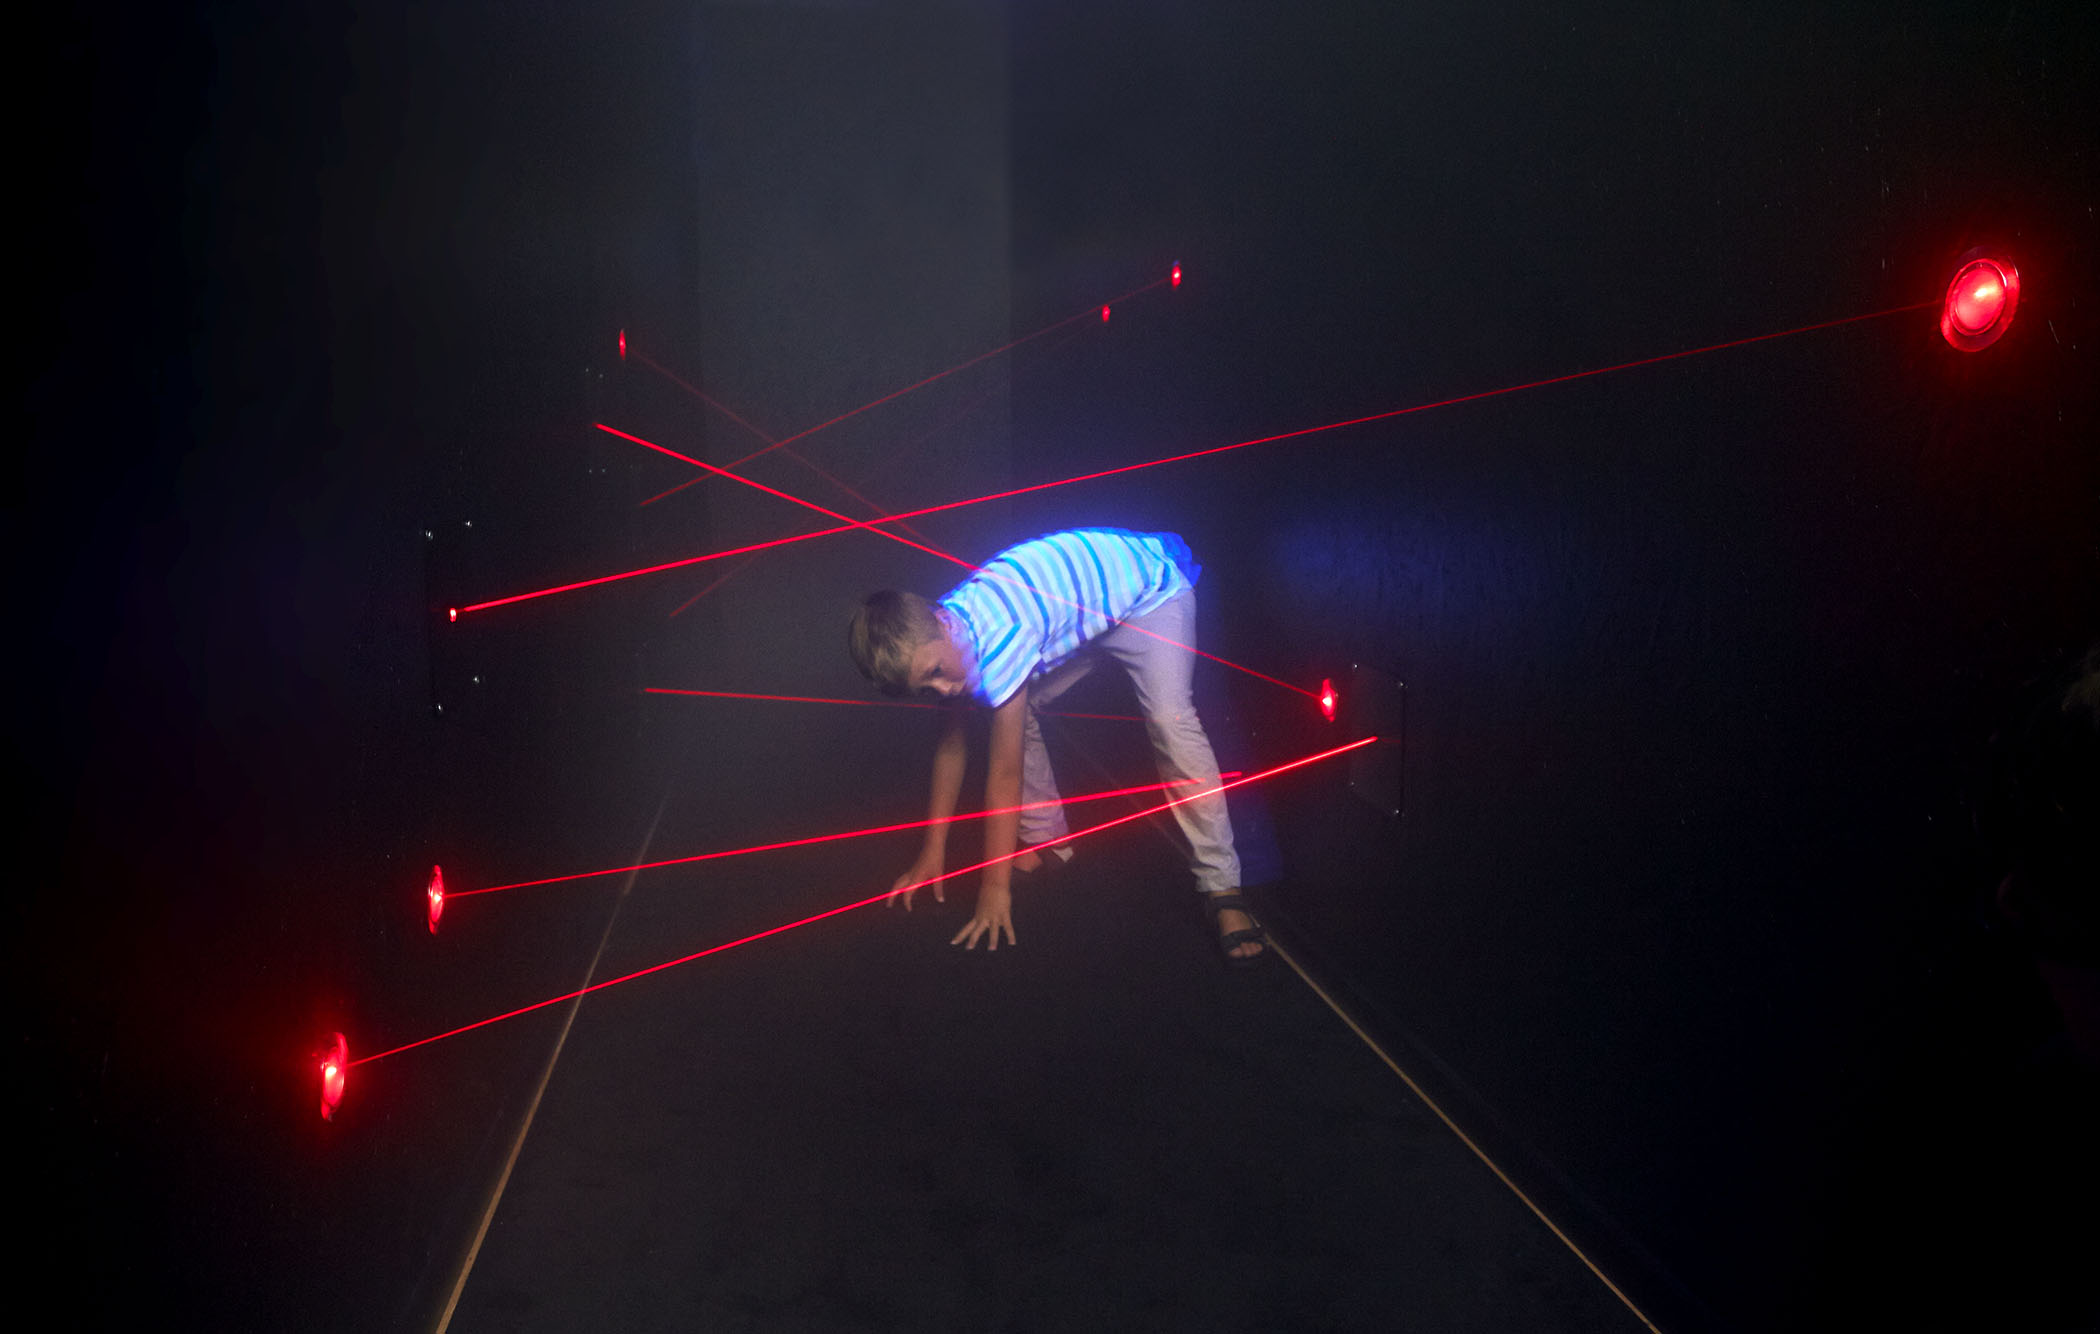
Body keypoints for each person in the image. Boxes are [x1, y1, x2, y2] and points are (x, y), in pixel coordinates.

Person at [847, 527, 1266, 963]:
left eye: (937, 670)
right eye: (928, 686)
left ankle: (1223, 887)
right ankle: (1049, 840)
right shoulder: (942, 634)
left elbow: (1004, 775)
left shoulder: (996, 639)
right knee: (1009, 706)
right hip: (1087, 617)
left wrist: (994, 889)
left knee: (1171, 721)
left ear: (945, 621)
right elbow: (951, 748)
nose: (945, 689)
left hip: (1150, 596)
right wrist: (932, 853)